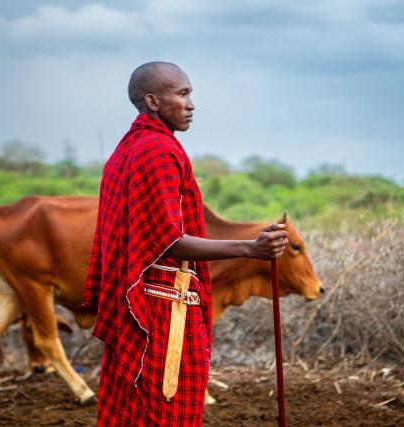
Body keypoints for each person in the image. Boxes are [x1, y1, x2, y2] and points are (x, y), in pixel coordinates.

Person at [82, 61, 288, 427]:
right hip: (161, 312)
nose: (191, 104)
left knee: (135, 413)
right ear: (153, 101)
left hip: (144, 303)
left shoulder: (128, 148)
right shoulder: (158, 152)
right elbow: (168, 241)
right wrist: (249, 249)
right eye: (182, 94)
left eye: (190, 93)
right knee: (165, 413)